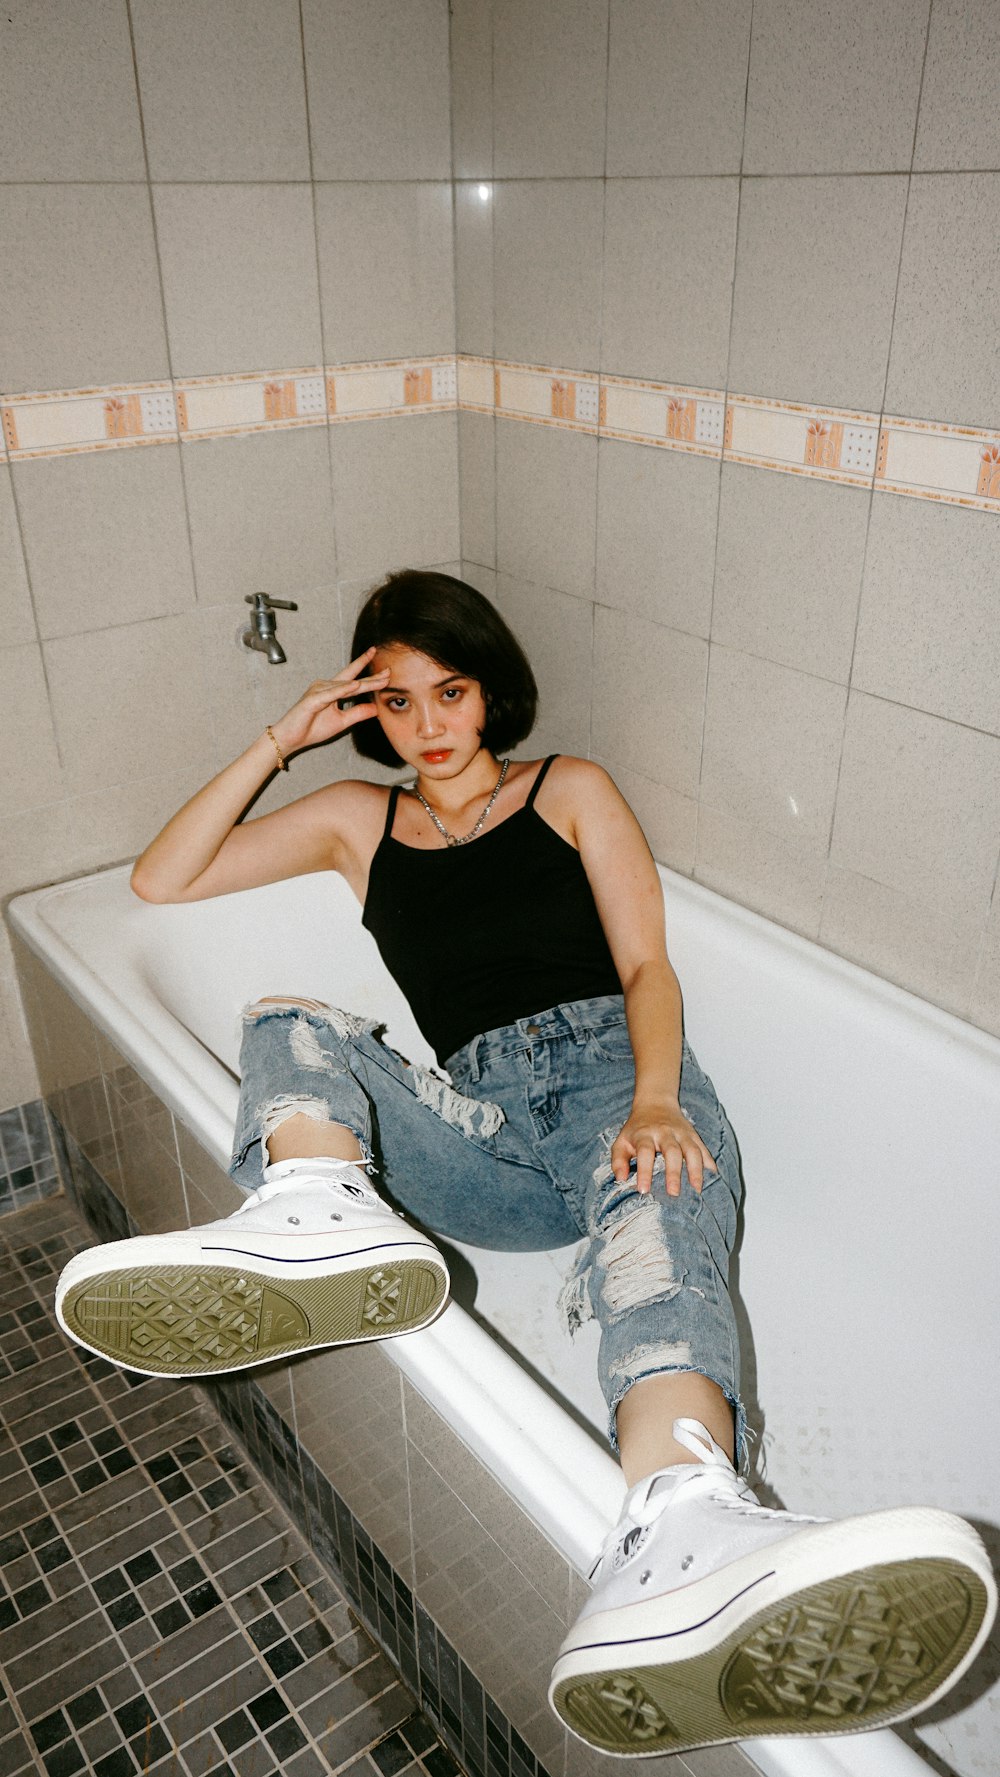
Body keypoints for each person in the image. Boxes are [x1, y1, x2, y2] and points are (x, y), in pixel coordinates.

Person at [55, 570, 995, 1759]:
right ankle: (312, 1204)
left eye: (449, 691)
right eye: (394, 701)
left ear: (490, 693)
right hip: (482, 1135)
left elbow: (648, 968)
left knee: (651, 1227)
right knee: (289, 1020)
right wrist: (283, 738)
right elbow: (162, 876)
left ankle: (683, 1520)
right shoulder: (360, 821)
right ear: (367, 714)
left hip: (613, 1084)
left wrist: (655, 1098)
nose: (428, 724)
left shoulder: (570, 790)